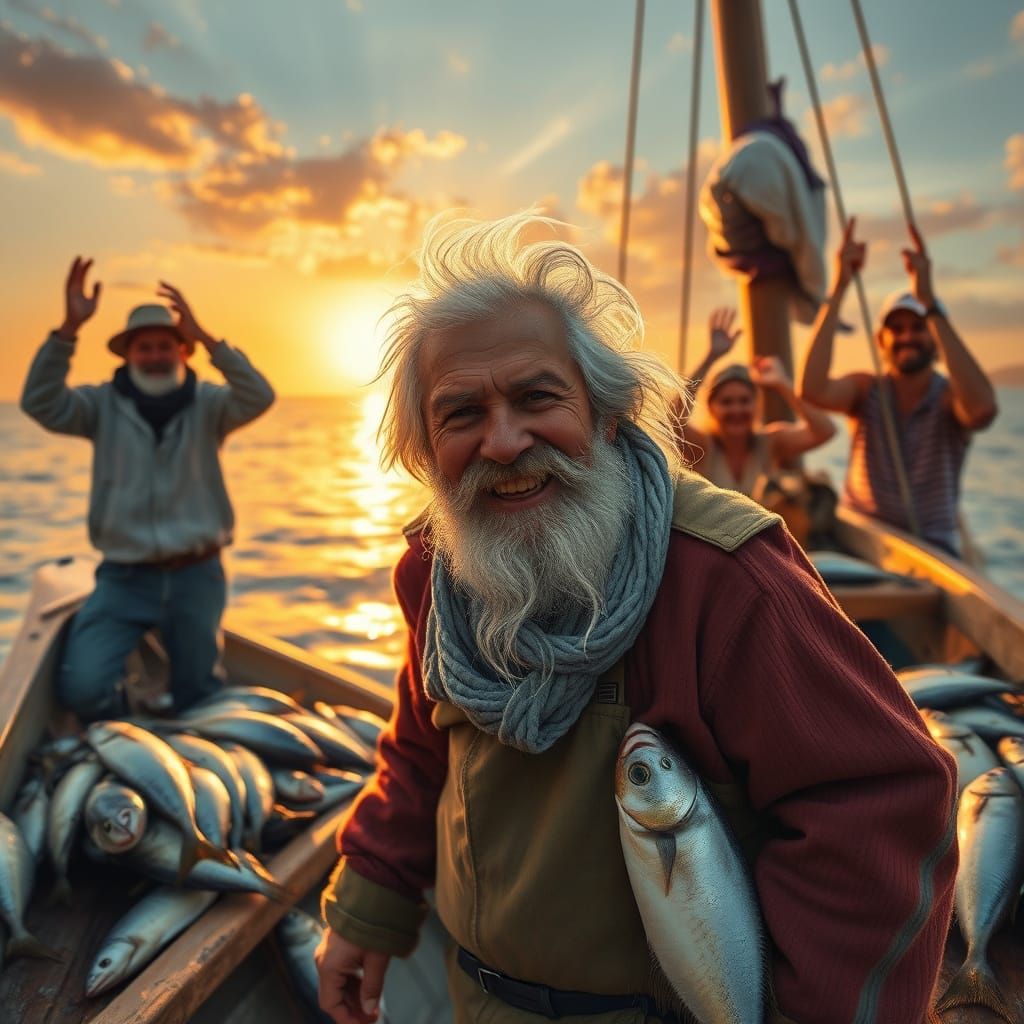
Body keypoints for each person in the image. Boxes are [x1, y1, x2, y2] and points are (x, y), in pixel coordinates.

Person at [314, 212, 957, 1024]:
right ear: (425, 445)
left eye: (536, 397)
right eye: (462, 414)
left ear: (607, 412)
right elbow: (418, 748)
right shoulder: (436, 573)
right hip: (475, 1000)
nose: (503, 442)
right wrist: (367, 905)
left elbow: (880, 801)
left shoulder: (723, 578)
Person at [20, 257, 275, 720]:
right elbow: (39, 402)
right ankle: (129, 726)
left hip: (197, 576)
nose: (155, 355)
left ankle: (180, 734)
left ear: (182, 352)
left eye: (165, 346)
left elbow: (260, 395)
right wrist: (67, 330)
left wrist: (207, 337)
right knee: (82, 689)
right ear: (128, 355)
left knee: (197, 695)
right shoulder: (99, 406)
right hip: (122, 578)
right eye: (144, 348)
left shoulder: (211, 405)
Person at [799, 219, 997, 556]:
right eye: (897, 328)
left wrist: (930, 303)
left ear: (936, 338)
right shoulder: (866, 390)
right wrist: (840, 285)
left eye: (919, 328)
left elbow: (982, 411)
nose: (907, 336)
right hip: (863, 541)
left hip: (933, 550)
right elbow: (813, 390)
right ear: (881, 340)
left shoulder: (951, 398)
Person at [678, 308, 835, 498]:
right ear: (711, 408)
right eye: (727, 402)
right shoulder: (701, 446)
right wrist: (711, 357)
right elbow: (671, 421)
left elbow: (824, 430)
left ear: (756, 405)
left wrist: (782, 384)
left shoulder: (770, 443)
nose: (737, 409)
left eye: (744, 401)